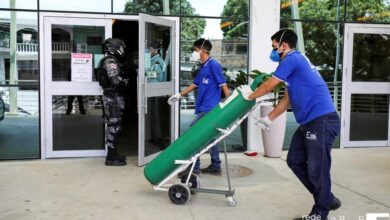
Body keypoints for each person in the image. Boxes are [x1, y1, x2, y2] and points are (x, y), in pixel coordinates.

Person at [240, 29, 341, 220]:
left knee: (317, 170)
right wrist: (268, 118)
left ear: (283, 45)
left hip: (321, 121)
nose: (273, 51)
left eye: (274, 46)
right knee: (294, 160)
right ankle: (327, 199)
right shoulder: (294, 64)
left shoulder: (292, 59)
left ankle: (321, 213)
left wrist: (248, 97)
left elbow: (269, 85)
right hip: (309, 122)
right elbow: (287, 100)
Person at [168, 38, 230, 176]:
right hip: (203, 107)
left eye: (195, 50)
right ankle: (215, 165)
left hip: (209, 109)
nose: (194, 53)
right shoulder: (203, 66)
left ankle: (193, 169)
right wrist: (179, 94)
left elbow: (223, 84)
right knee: (212, 137)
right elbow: (195, 84)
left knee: (194, 137)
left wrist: (228, 104)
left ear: (202, 50)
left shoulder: (214, 65)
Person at [97, 38, 129, 166]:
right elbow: (116, 81)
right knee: (114, 128)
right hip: (113, 99)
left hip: (113, 98)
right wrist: (126, 80)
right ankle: (110, 157)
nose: (122, 49)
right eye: (120, 47)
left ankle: (113, 153)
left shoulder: (110, 60)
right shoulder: (110, 61)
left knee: (115, 127)